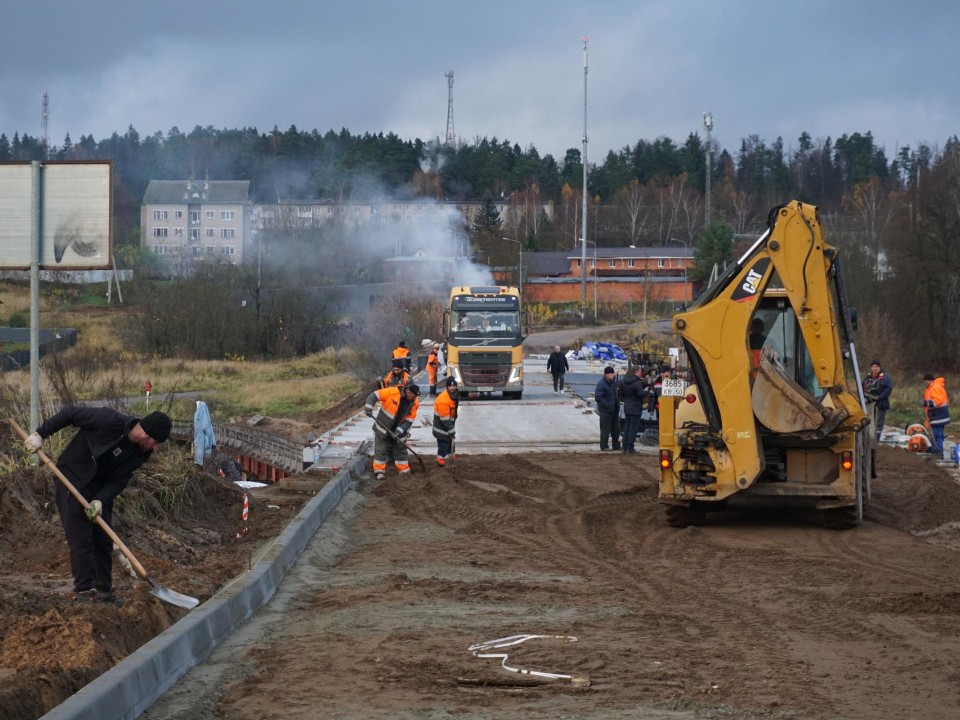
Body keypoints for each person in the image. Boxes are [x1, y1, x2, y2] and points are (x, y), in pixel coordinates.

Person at [24, 407, 172, 606]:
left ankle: (103, 591)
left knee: (103, 540)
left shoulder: (141, 454)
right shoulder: (109, 420)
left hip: (99, 491)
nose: (156, 448)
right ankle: (84, 591)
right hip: (72, 479)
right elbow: (70, 414)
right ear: (147, 434)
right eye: (157, 442)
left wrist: (101, 500)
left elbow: (119, 481)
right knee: (81, 540)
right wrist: (40, 434)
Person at [364, 382, 421, 479]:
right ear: (408, 392)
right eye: (413, 395)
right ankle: (379, 471)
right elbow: (374, 395)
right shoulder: (392, 392)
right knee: (381, 449)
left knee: (400, 449)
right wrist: (368, 408)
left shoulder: (414, 403)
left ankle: (404, 470)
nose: (414, 398)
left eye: (416, 396)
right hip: (383, 427)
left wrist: (399, 431)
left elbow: (409, 421)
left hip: (399, 430)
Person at [620, 365, 648, 454]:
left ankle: (624, 447)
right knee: (633, 428)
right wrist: (646, 391)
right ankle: (630, 448)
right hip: (635, 407)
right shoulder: (637, 382)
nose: (641, 373)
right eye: (640, 371)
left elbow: (621, 394)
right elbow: (640, 394)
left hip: (627, 406)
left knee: (627, 427)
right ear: (637, 372)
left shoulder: (623, 381)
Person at [862, 360, 893, 440]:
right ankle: (868, 439)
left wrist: (879, 397)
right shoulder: (867, 377)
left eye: (876, 366)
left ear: (880, 368)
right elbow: (861, 388)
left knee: (879, 423)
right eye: (873, 366)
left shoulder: (885, 377)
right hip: (868, 404)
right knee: (868, 421)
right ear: (871, 368)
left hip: (881, 403)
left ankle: (876, 440)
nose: (874, 368)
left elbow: (888, 389)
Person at [922, 372, 950, 459]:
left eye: (925, 381)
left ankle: (938, 456)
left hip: (938, 416)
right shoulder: (933, 387)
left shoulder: (935, 388)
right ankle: (936, 453)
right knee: (936, 436)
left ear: (927, 380)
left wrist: (925, 403)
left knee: (936, 436)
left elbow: (937, 401)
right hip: (938, 416)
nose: (924, 383)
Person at [432, 377, 459, 468]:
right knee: (443, 445)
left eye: (454, 386)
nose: (452, 388)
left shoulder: (454, 395)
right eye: (450, 386)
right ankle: (441, 463)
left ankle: (450, 460)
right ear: (447, 387)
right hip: (441, 428)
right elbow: (444, 419)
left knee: (450, 443)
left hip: (448, 425)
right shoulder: (443, 399)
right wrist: (451, 430)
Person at [594, 366, 621, 451]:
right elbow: (598, 397)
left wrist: (617, 406)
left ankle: (616, 445)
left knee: (616, 429)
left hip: (614, 410)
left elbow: (615, 396)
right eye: (611, 374)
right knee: (605, 429)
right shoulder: (601, 384)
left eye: (613, 374)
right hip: (605, 411)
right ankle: (604, 446)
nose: (612, 375)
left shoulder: (613, 383)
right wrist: (608, 405)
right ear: (606, 374)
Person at [193, 400, 216, 465]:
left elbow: (205, 427)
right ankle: (201, 463)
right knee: (201, 451)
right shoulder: (201, 416)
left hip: (200, 437)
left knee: (200, 451)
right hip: (200, 437)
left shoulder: (199, 416)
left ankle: (200, 463)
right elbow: (207, 428)